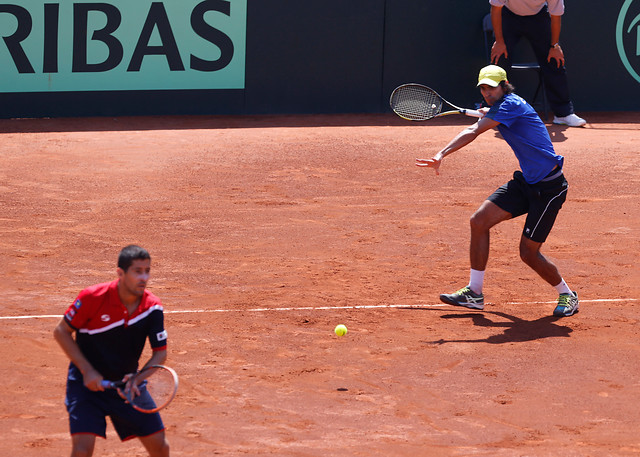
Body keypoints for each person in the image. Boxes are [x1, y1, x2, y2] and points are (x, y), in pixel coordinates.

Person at [416, 65, 579, 317]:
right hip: (526, 182)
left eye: (491, 87)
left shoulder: (511, 105)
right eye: (483, 88)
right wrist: (489, 112)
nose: (487, 92)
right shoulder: (502, 106)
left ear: (504, 85)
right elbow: (490, 116)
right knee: (479, 221)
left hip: (549, 188)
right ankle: (474, 293)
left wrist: (441, 153)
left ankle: (568, 295)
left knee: (528, 253)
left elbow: (474, 130)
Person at [53, 245, 170, 457]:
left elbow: (160, 352)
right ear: (120, 273)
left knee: (161, 447)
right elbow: (61, 331)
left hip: (127, 386)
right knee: (81, 451)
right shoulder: (92, 298)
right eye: (137, 271)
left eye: (147, 270)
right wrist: (87, 371)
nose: (144, 277)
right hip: (85, 385)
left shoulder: (152, 308)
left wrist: (138, 378)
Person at [489, 0, 586, 127]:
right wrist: (499, 42)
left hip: (538, 18)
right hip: (508, 17)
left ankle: (563, 114)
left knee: (554, 60)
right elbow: (495, 9)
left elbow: (556, 17)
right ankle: (491, 111)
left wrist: (554, 46)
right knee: (499, 59)